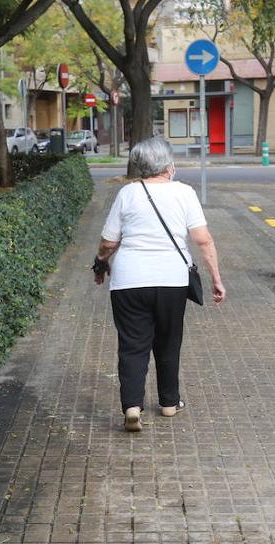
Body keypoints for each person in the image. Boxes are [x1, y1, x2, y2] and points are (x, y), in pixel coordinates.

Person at [92, 136, 225, 433]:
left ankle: (132, 407)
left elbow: (108, 242)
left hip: (128, 281)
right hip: (171, 280)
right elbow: (202, 240)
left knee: (132, 345)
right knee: (168, 341)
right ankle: (169, 402)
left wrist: (100, 264)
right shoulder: (185, 193)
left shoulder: (127, 193)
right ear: (168, 164)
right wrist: (216, 278)